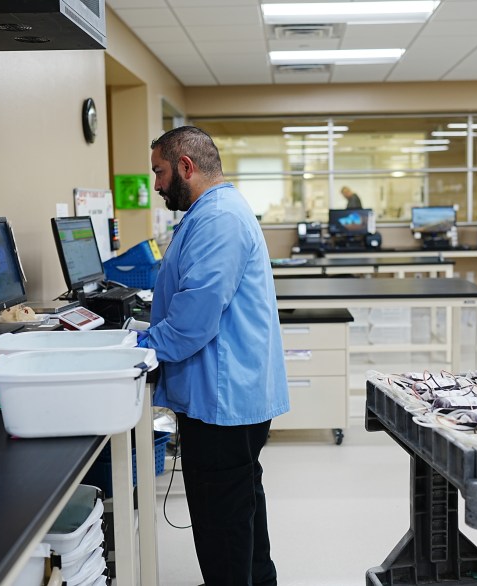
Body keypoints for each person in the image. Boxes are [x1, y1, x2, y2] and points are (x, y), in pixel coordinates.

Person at [138, 126, 289, 586]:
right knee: (241, 505)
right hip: (228, 393)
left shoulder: (218, 218)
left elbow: (192, 321)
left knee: (221, 521)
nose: (158, 184)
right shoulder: (212, 211)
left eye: (160, 172)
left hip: (223, 401)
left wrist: (137, 348)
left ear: (186, 166)